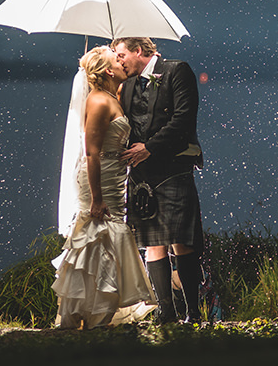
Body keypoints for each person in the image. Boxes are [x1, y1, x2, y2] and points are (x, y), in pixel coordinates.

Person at [51, 46, 156, 329]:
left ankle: (100, 310)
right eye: (116, 59)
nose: (122, 61)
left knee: (108, 237)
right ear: (108, 70)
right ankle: (87, 312)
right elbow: (91, 153)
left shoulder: (114, 96)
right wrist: (96, 197)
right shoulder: (98, 101)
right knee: (96, 235)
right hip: (99, 178)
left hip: (115, 176)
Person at [112, 36, 205, 324]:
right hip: (141, 174)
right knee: (153, 244)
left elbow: (184, 119)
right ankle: (166, 313)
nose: (119, 61)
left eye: (121, 54)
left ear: (139, 50)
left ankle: (192, 313)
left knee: (181, 242)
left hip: (173, 167)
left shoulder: (177, 71)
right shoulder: (125, 86)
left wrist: (149, 147)